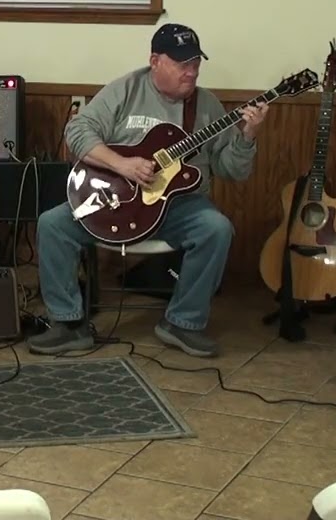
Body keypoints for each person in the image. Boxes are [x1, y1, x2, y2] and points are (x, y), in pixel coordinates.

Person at [28, 24, 267, 358]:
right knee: (52, 224)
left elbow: (232, 171)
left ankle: (183, 322)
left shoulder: (207, 105)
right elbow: (78, 132)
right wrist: (122, 165)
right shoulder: (125, 90)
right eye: (182, 63)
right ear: (155, 61)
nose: (192, 71)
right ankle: (68, 324)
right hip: (116, 199)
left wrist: (247, 136)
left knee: (216, 228)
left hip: (178, 205)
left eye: (195, 63)